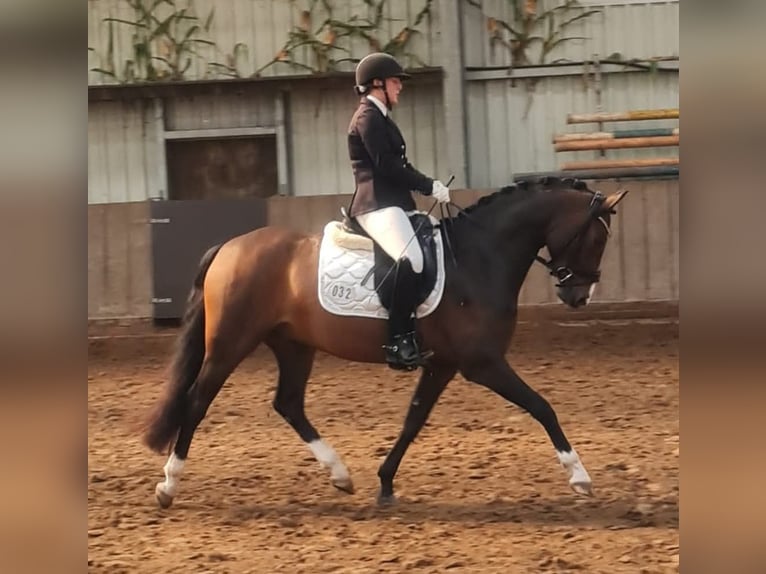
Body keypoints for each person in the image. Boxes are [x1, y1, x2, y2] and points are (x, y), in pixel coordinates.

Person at [346, 52, 451, 371]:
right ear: (377, 84)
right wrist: (427, 185)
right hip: (375, 204)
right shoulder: (367, 117)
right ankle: (398, 339)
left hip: (393, 203)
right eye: (395, 82)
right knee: (411, 259)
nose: (399, 88)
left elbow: (400, 164)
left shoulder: (381, 117)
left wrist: (425, 183)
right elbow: (388, 167)